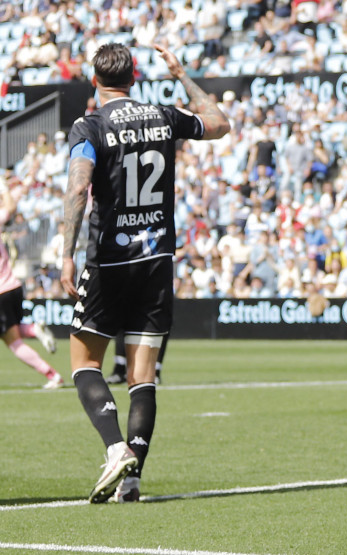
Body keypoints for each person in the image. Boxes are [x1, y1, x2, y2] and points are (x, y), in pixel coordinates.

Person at [61, 43, 230, 504]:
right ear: (134, 78)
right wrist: (180, 73)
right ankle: (132, 481)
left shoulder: (89, 125)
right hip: (156, 262)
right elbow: (218, 123)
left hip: (111, 261)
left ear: (94, 80)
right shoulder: (162, 114)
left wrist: (65, 254)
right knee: (143, 377)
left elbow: (78, 189)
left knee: (84, 363)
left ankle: (116, 448)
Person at [0, 187, 61, 388]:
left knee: (14, 343)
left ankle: (52, 375)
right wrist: (2, 185)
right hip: (14, 287)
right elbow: (9, 207)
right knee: (14, 330)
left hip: (1, 293)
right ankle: (35, 328)